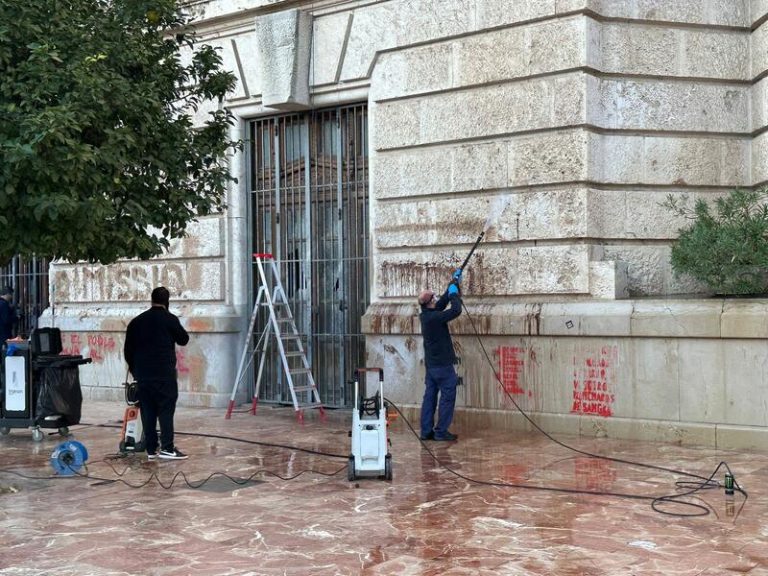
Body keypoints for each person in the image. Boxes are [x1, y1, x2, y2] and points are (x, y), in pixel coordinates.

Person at [124, 286, 190, 460]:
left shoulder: (136, 322)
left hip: (143, 376)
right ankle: (167, 448)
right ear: (167, 301)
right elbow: (184, 339)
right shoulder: (170, 319)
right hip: (164, 375)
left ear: (151, 300)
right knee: (166, 411)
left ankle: (151, 449)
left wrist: (135, 370)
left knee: (148, 411)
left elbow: (128, 351)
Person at [418, 269, 462, 442]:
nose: (436, 298)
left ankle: (426, 431)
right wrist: (454, 295)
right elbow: (455, 310)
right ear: (430, 302)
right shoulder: (434, 318)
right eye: (434, 297)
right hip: (443, 365)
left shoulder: (426, 315)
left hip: (432, 366)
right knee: (447, 396)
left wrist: (453, 283)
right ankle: (441, 431)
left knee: (429, 397)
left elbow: (440, 304)